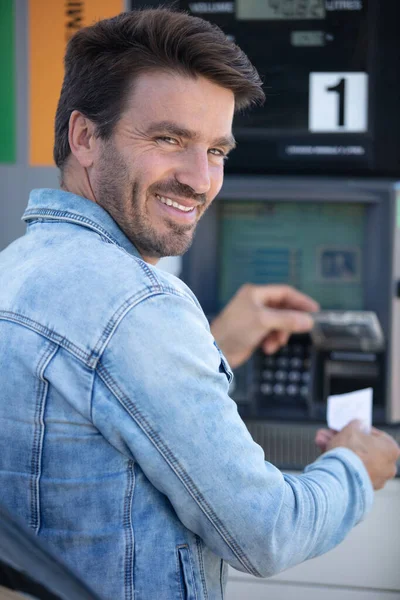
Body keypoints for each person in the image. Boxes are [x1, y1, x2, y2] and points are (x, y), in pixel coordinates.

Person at [0, 8, 398, 600]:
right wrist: (358, 468)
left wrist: (217, 344)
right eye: (168, 139)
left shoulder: (17, 267)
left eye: (217, 150)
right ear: (85, 137)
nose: (199, 178)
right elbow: (268, 532)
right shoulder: (138, 305)